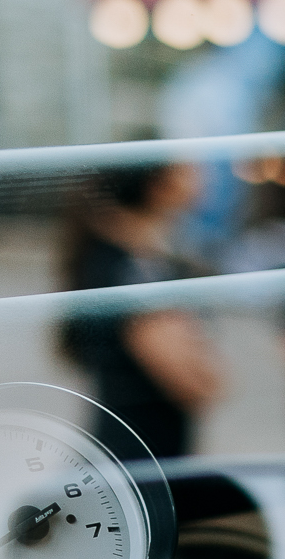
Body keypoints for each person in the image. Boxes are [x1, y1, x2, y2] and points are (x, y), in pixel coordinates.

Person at [58, 162, 223, 461]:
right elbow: (195, 385)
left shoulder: (135, 259)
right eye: (186, 170)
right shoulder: (131, 271)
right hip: (136, 456)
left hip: (138, 448)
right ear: (155, 187)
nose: (201, 177)